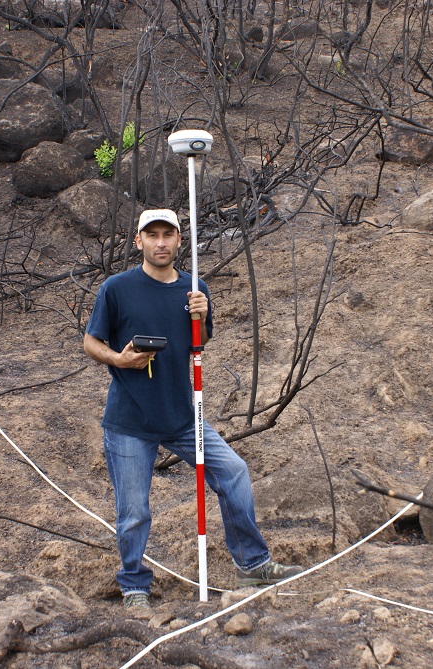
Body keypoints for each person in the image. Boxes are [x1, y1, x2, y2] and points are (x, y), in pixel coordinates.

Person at [83, 208, 303, 611]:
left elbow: (200, 342)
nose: (161, 242)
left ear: (180, 241)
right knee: (134, 511)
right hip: (129, 421)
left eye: (169, 235)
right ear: (139, 242)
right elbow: (90, 342)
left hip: (183, 417)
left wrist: (201, 315)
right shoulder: (116, 289)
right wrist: (117, 359)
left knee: (233, 472)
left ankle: (252, 565)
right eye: (153, 235)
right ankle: (134, 586)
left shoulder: (194, 288)